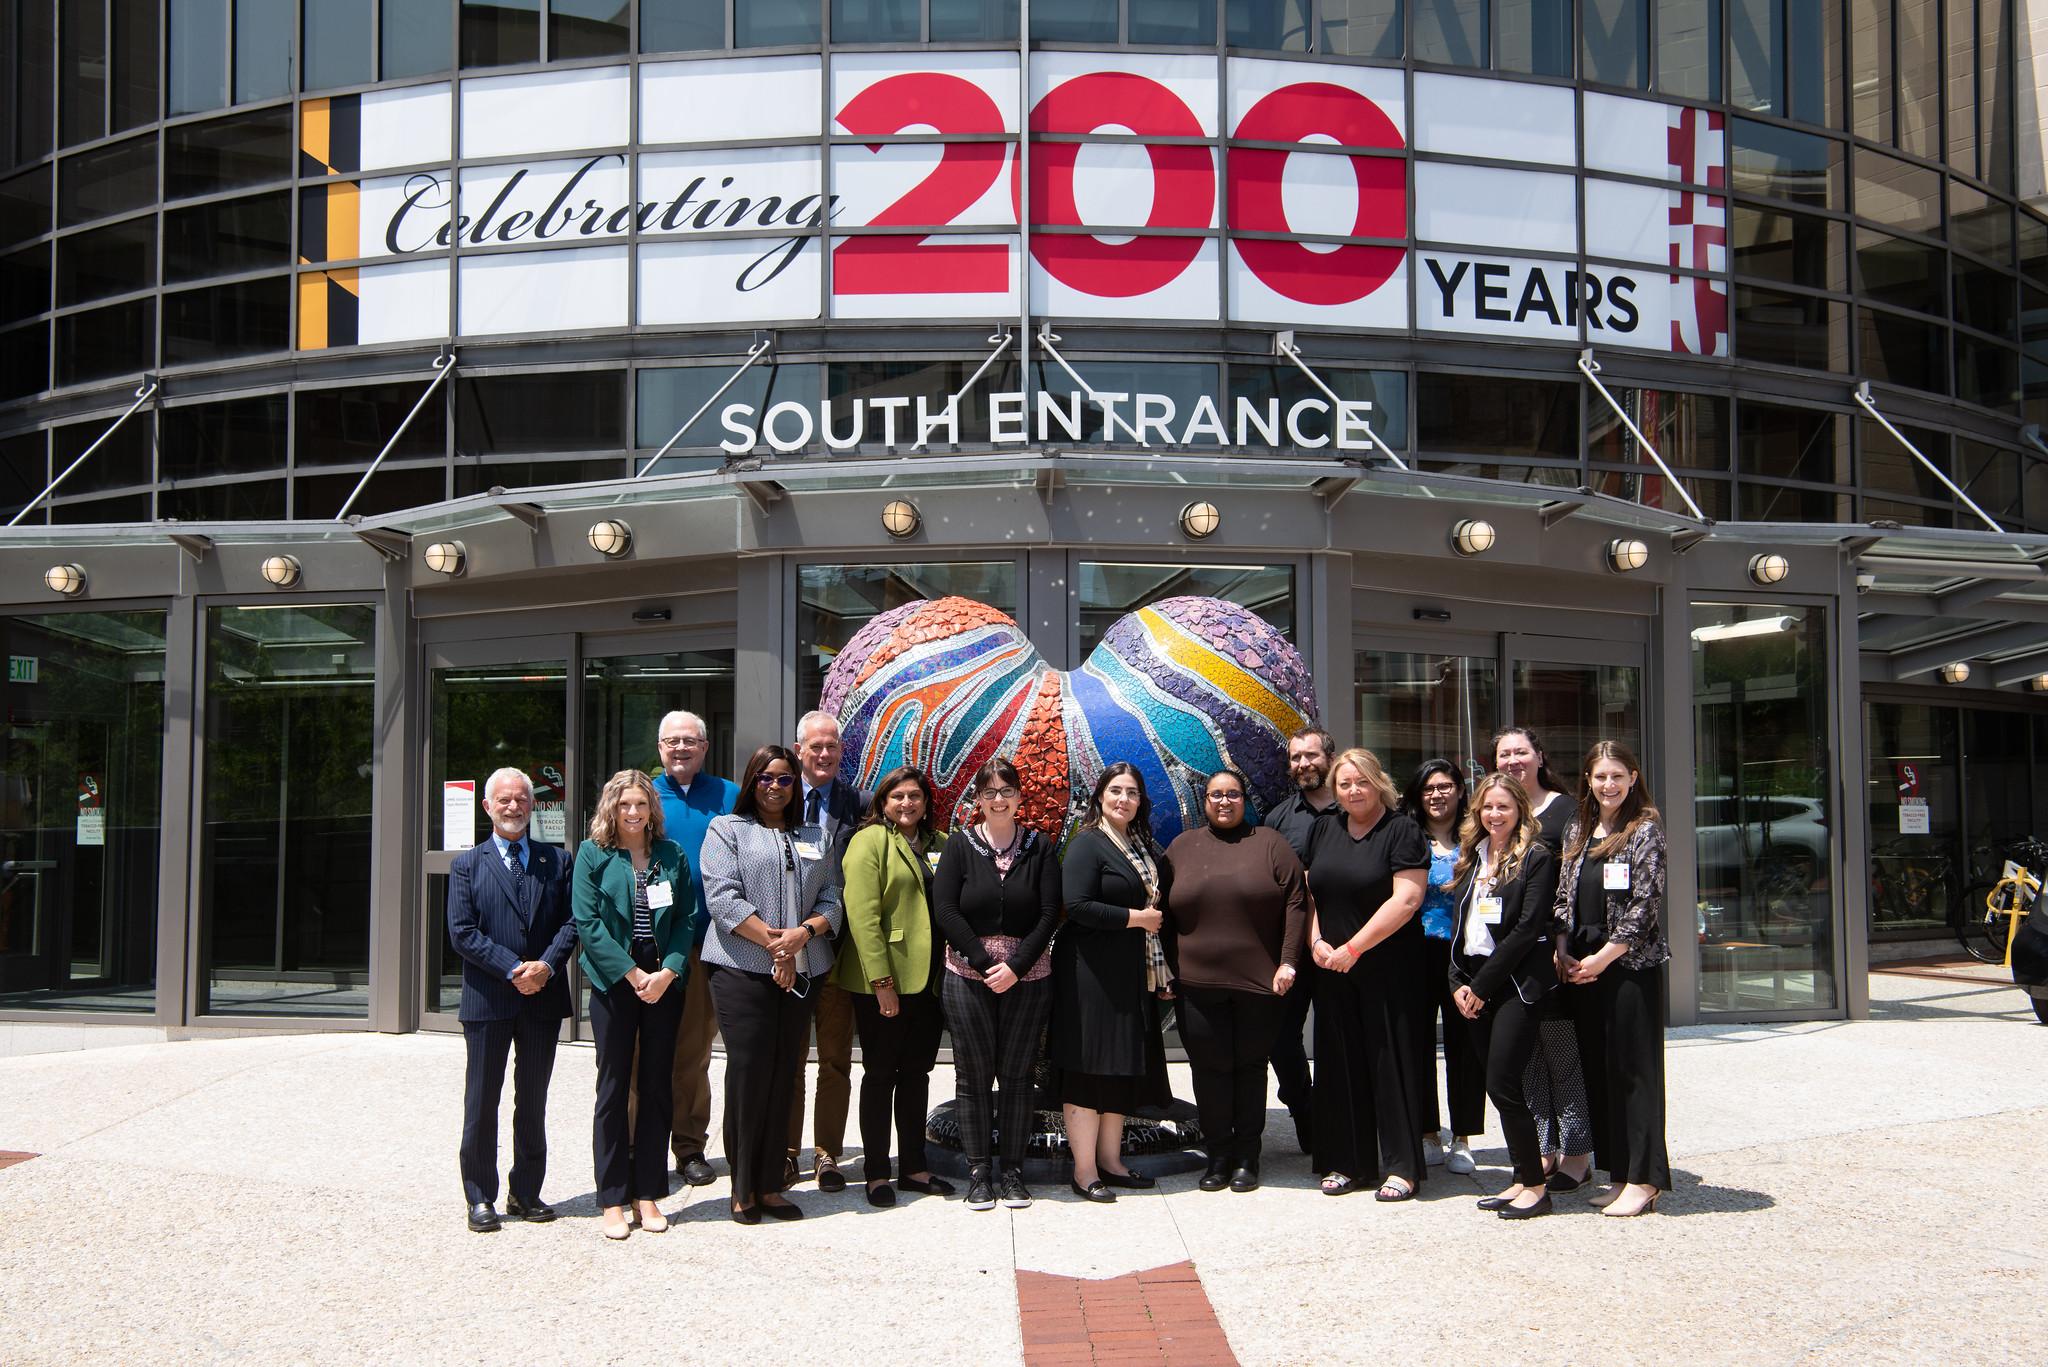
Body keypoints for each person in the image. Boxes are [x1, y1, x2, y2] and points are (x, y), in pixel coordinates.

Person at [701, 744, 844, 1224]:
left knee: (785, 1073)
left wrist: (803, 935)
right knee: (749, 1074)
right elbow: (722, 896)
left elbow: (833, 897)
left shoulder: (814, 836)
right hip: (741, 969)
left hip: (802, 970)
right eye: (766, 777)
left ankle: (770, 1183)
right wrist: (775, 946)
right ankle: (742, 1189)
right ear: (751, 781)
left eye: (785, 779)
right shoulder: (728, 830)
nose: (776, 786)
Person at [1164, 768, 1308, 1193]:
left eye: (1232, 794)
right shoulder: (1181, 848)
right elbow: (1163, 914)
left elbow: (1297, 903)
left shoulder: (1270, 844)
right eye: (1215, 795)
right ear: (1203, 801)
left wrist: (1287, 962)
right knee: (1208, 1071)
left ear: (1245, 800)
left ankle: (1247, 1156)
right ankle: (1218, 1156)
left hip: (1258, 985)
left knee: (1249, 1069)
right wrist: (1166, 971)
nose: (1224, 802)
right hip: (1196, 985)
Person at [446, 767, 577, 1233]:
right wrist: (511, 967)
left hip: (541, 999)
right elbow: (462, 932)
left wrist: (544, 966)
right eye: (503, 800)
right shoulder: (468, 864)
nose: (513, 806)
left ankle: (526, 1191)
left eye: (521, 799)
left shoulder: (557, 861)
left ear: (532, 805)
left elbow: (572, 921)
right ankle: (479, 1197)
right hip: (488, 1000)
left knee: (533, 1099)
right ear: (487, 807)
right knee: (482, 1100)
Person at [932, 756, 1060, 1212]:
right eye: (990, 792)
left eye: (1007, 791)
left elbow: (1049, 913)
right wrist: (986, 962)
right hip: (968, 975)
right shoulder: (960, 846)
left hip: (1029, 978)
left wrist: (1017, 967)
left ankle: (1012, 1172)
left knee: (1017, 1077)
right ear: (978, 800)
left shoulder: (1039, 846)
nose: (999, 800)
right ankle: (978, 1172)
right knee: (972, 1077)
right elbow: (946, 909)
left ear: (1019, 796)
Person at [1554, 740, 1672, 1217]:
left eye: (1617, 776)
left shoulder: (1644, 830)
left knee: (1634, 1074)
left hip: (1628, 967)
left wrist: (1603, 958)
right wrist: (1563, 951)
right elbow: (1563, 896)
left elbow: (1645, 905)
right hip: (1582, 967)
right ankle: (1619, 1173)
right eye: (1600, 776)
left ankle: (1645, 1179)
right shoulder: (1578, 828)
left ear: (1633, 777)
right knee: (1600, 1072)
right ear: (1588, 779)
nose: (1608, 785)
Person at [1305, 747, 1429, 1201]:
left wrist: (1354, 948)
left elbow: (1407, 900)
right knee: (1338, 1064)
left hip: (1387, 967)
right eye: (1344, 783)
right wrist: (1317, 943)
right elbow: (1310, 894)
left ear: (1378, 782)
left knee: (1389, 1063)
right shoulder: (1324, 828)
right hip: (1332, 966)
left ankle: (1401, 1168)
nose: (1353, 790)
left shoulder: (1402, 830)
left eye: (1361, 781)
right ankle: (1346, 1162)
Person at [572, 769, 691, 1241]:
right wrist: (632, 974)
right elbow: (587, 923)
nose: (634, 813)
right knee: (614, 1087)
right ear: (611, 808)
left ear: (651, 809)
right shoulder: (593, 855)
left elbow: (686, 918)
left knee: (658, 1085)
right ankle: (613, 1197)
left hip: (662, 976)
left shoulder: (670, 854)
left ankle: (648, 1193)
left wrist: (668, 972)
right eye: (625, 805)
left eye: (641, 805)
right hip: (614, 978)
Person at [834, 765, 956, 1207]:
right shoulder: (869, 841)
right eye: (897, 797)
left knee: (917, 1075)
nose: (907, 804)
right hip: (883, 981)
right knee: (881, 1074)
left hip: (931, 981)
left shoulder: (941, 844)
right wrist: (881, 982)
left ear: (926, 803)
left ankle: (914, 1166)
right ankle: (875, 1172)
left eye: (915, 797)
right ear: (882, 802)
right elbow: (862, 918)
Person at [1052, 763, 1173, 1203]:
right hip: (1090, 974)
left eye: (1133, 792)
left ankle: (1112, 1162)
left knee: (1119, 1067)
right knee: (1088, 1069)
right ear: (1100, 796)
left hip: (1128, 972)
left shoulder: (1137, 844)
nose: (1124, 799)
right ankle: (1084, 1171)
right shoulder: (1088, 843)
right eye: (1116, 791)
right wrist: (1135, 918)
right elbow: (1078, 905)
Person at [1448, 774, 1561, 1219]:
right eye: (1488, 808)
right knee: (1500, 1087)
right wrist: (1458, 983)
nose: (1495, 815)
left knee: (1503, 1082)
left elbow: (1528, 929)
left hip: (1512, 985)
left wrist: (1480, 987)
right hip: (1474, 983)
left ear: (1519, 812)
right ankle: (1522, 1177)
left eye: (1504, 807)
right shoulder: (1473, 858)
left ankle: (1536, 1185)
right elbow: (1463, 928)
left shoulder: (1535, 858)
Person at [1495, 725, 1595, 1191]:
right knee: (1527, 1059)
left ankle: (1577, 1153)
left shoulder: (1566, 811)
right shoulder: (1498, 811)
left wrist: (1562, 942)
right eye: (1504, 754)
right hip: (1508, 958)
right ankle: (1542, 1147)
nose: (1513, 760)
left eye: (1521, 752)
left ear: (1539, 756)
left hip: (1551, 953)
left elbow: (1575, 881)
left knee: (1561, 1055)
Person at [649, 710, 738, 1189]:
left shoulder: (728, 795)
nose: (680, 749)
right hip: (651, 947)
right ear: (659, 747)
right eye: (671, 741)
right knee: (643, 1051)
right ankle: (637, 1147)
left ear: (705, 746)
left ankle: (688, 1147)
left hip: (708, 943)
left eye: (689, 741)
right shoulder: (640, 795)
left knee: (692, 1053)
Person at [784, 710, 865, 1194]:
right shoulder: (777, 797)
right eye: (815, 746)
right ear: (799, 750)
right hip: (788, 947)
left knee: (835, 1059)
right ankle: (788, 1153)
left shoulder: (858, 803)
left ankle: (828, 1153)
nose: (824, 754)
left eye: (832, 746)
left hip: (836, 949)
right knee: (790, 1059)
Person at [1401, 759, 1483, 1177]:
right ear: (1419, 794)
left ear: (1460, 789)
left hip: (1464, 955)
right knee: (1416, 1045)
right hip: (1415, 954)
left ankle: (1463, 1138)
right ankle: (1428, 1132)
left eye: (1445, 786)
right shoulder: (1407, 836)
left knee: (1463, 1046)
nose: (1437, 794)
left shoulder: (1478, 836)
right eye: (1429, 787)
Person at [1262, 726, 1339, 1151]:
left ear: (1329, 755)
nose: (1303, 764)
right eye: (1296, 758)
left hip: (1347, 946)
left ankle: (1341, 1118)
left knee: (1340, 1035)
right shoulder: (1278, 819)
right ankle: (1305, 1111)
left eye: (1310, 755)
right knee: (1279, 1035)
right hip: (1293, 947)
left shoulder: (1356, 808)